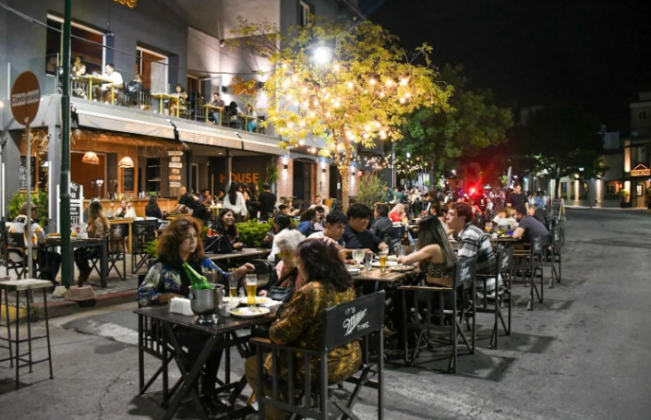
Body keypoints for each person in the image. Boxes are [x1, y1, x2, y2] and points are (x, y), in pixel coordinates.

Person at [137, 217, 254, 415]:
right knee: (204, 341)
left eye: (195, 236)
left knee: (215, 339)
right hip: (170, 324)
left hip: (201, 321)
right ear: (175, 240)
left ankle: (207, 391)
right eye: (187, 237)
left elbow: (224, 279)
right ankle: (198, 385)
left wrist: (240, 271)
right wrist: (166, 296)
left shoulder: (202, 262)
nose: (193, 241)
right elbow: (142, 295)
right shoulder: (162, 266)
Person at [244, 240, 361, 420]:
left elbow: (279, 335)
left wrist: (279, 316)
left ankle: (279, 414)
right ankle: (291, 404)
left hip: (317, 365)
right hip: (349, 357)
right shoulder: (344, 286)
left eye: (300, 261)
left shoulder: (311, 291)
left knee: (253, 364)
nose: (298, 267)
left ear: (309, 263)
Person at [9, 203, 61, 285]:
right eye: (34, 210)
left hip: (13, 254)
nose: (36, 212)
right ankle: (50, 281)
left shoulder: (16, 220)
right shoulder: (27, 220)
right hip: (25, 255)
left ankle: (45, 278)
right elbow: (40, 231)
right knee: (55, 256)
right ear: (27, 211)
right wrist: (42, 242)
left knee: (43, 255)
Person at [398, 216, 456, 287]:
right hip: (446, 290)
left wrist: (400, 257)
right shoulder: (446, 245)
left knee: (398, 289)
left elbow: (405, 260)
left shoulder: (432, 248)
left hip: (435, 290)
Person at [447, 202, 496, 275]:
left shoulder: (469, 235)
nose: (447, 217)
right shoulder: (470, 230)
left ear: (462, 218)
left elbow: (463, 267)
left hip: (481, 280)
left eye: (451, 214)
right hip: (482, 277)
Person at [74, 201, 110, 287]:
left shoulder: (97, 220)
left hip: (97, 248)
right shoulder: (98, 220)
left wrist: (89, 233)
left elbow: (98, 236)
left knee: (79, 254)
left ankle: (84, 271)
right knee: (77, 252)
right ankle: (85, 271)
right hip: (96, 246)